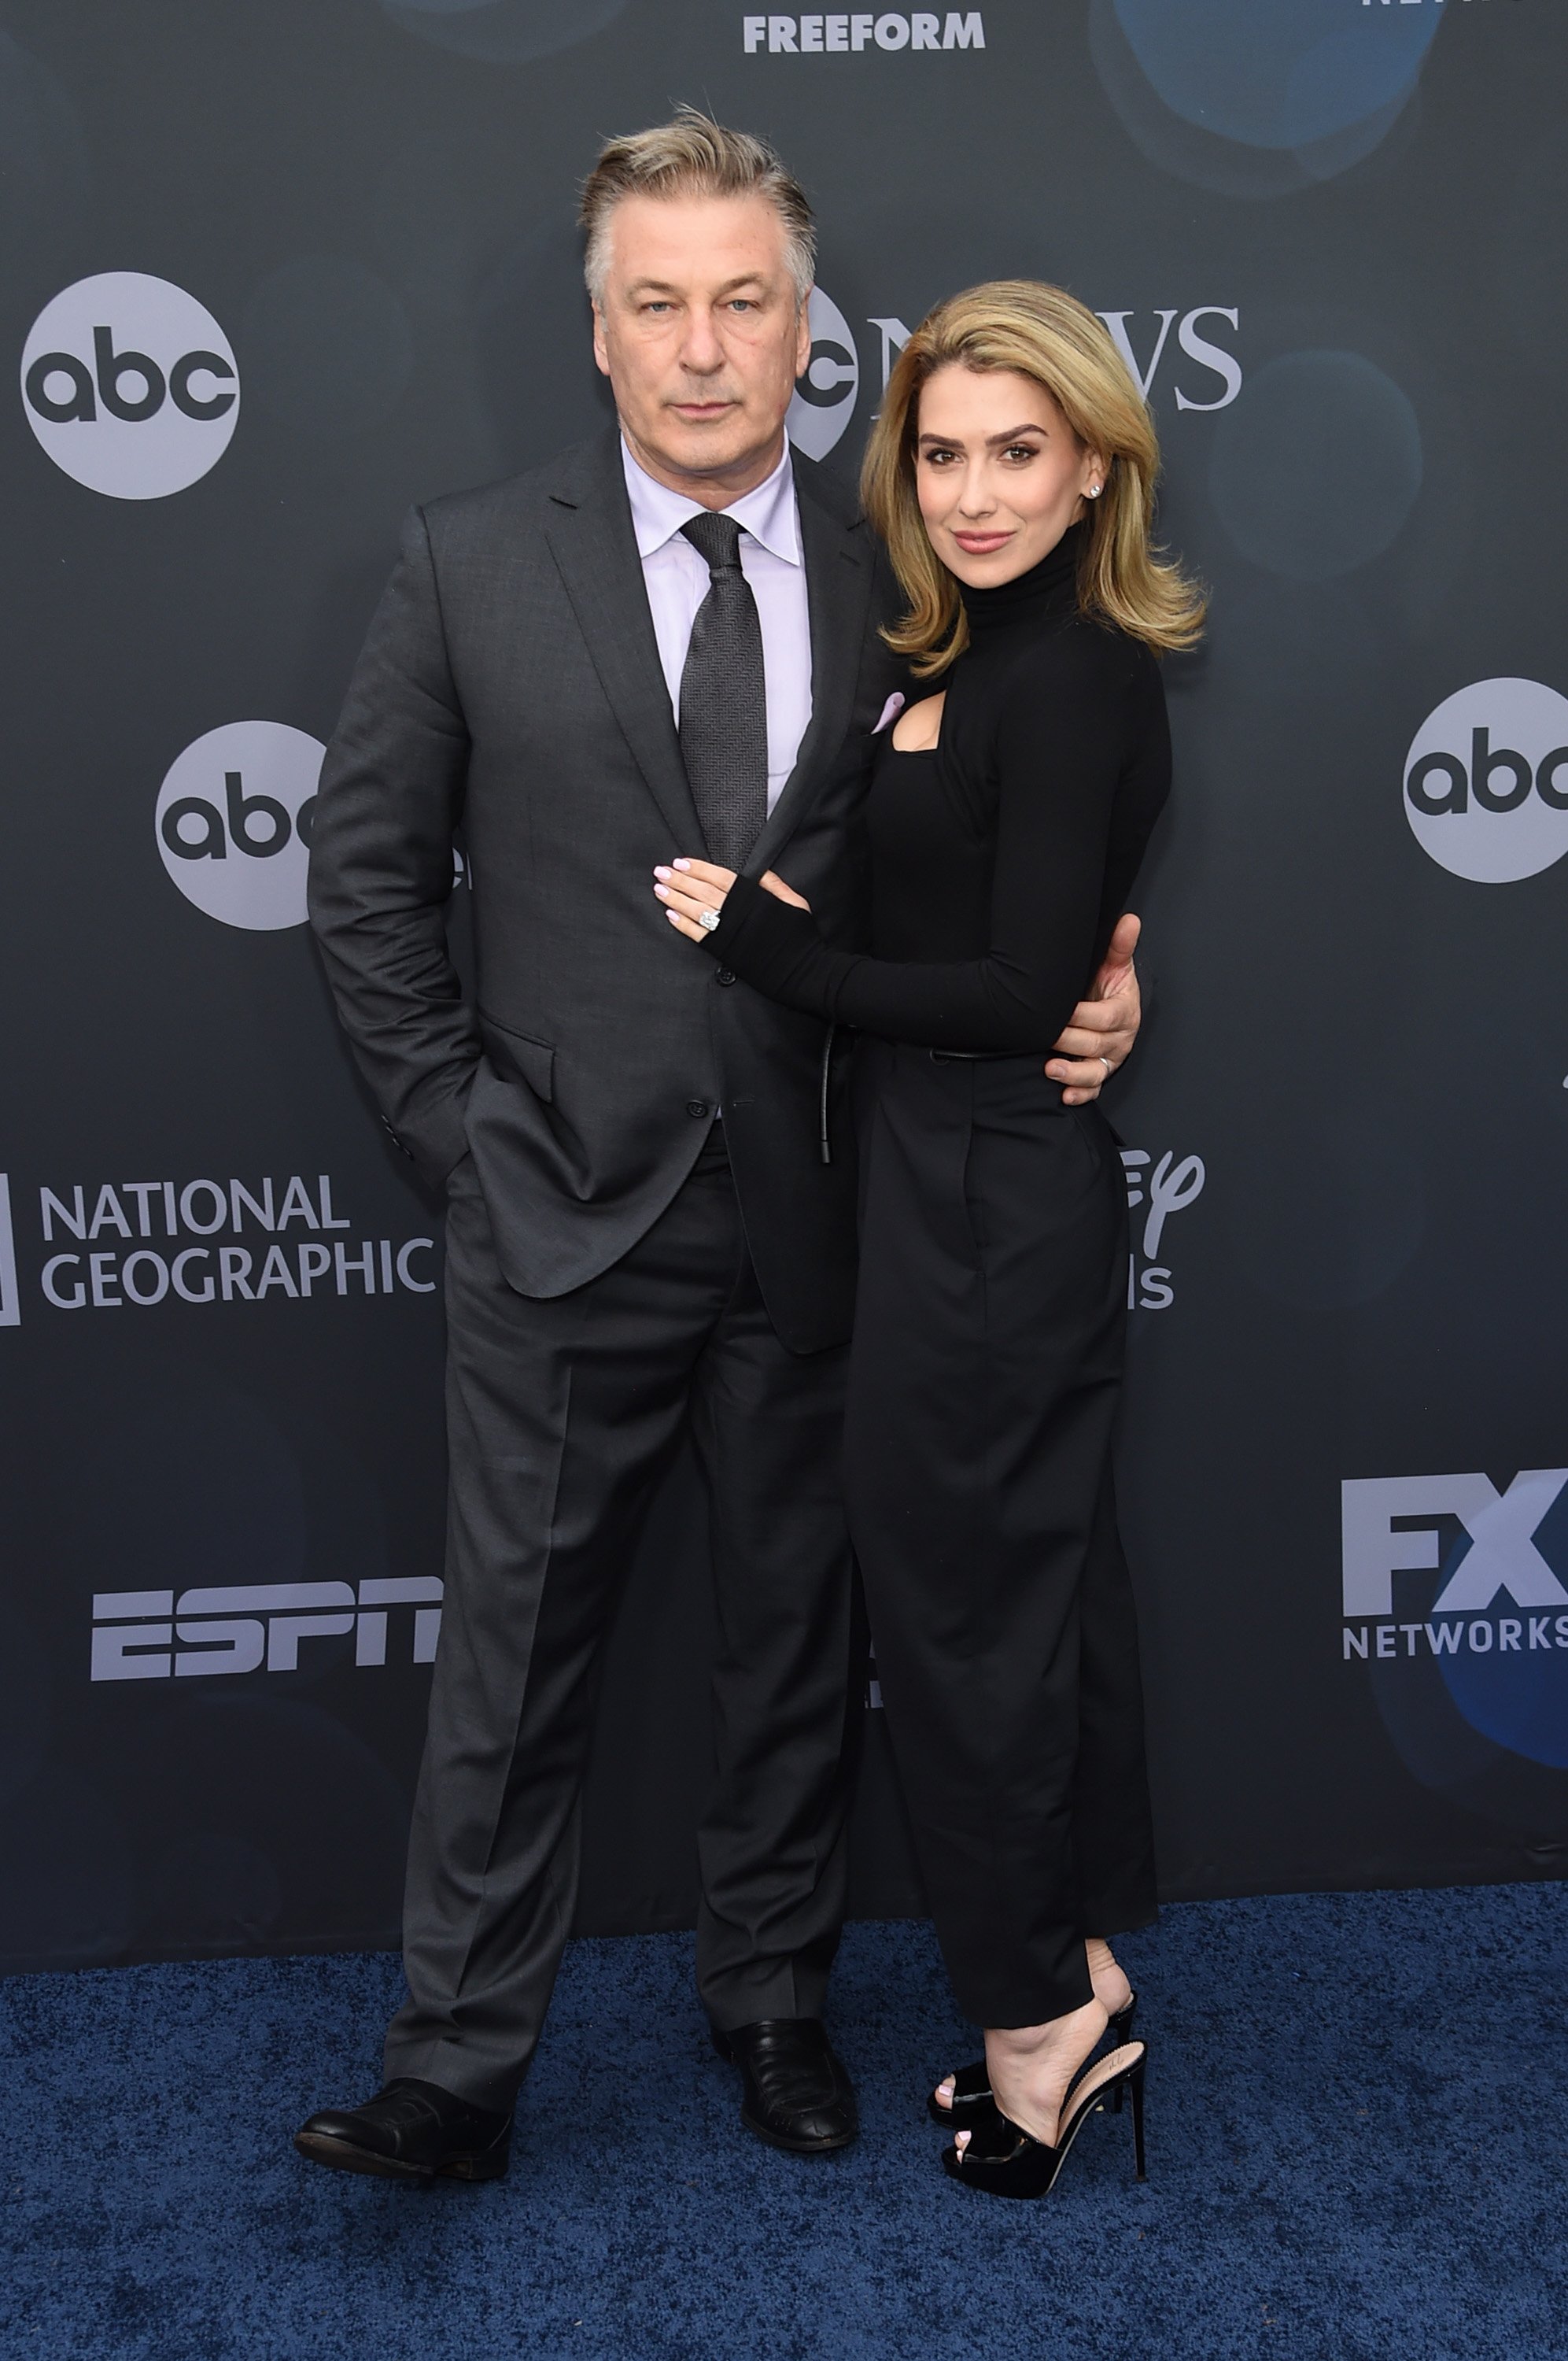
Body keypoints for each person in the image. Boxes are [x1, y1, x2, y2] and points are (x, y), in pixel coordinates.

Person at [297, 120, 1143, 2185]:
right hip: (552, 1220)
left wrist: (1096, 999)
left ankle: (773, 2007)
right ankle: (457, 2068)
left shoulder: (918, 584)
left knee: (797, 1643)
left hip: (835, 1220)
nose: (701, 348)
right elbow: (365, 875)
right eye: (655, 304)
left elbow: (993, 887)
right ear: (597, 335)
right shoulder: (468, 560)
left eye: (742, 301)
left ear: (804, 330)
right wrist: (460, 1148)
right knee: (507, 1674)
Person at [655, 279, 1201, 2199]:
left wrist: (770, 940)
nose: (974, 493)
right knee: (1003, 1610)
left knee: (973, 1627)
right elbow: (914, 887)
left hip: (989, 1209)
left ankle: (1039, 2022)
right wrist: (806, 899)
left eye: (1016, 453)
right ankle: (1074, 1978)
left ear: (1092, 469)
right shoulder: (942, 660)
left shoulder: (1082, 673)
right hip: (928, 1195)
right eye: (942, 453)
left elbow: (1014, 983)